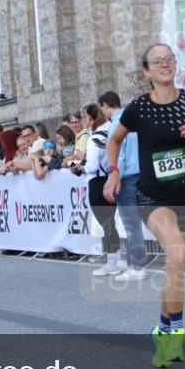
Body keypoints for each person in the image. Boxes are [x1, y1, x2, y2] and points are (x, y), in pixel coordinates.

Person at [104, 44, 185, 368]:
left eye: (169, 59)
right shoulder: (139, 108)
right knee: (177, 254)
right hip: (153, 196)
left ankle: (162, 325)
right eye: (157, 62)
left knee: (177, 265)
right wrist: (113, 172)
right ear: (147, 71)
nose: (165, 65)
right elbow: (114, 140)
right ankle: (175, 335)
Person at [99, 91, 147, 281]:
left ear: (105, 105)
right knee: (141, 222)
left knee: (131, 223)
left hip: (126, 176)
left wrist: (114, 175)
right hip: (141, 174)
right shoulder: (135, 122)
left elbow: (120, 153)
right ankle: (135, 263)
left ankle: (137, 266)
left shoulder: (117, 125)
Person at [75, 104, 122, 276]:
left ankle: (112, 262)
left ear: (91, 117)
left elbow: (93, 166)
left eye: (84, 117)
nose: (82, 120)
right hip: (112, 178)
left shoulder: (94, 138)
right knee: (111, 222)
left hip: (98, 182)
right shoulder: (110, 129)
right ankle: (116, 259)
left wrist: (81, 168)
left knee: (107, 223)